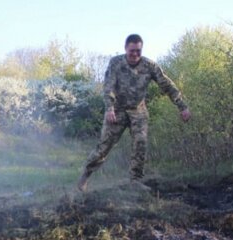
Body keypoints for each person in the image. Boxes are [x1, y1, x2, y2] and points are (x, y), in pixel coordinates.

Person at [77, 34, 191, 193]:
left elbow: (167, 85)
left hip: (138, 110)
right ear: (125, 49)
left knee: (140, 143)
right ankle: (84, 177)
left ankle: (135, 181)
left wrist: (182, 106)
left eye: (138, 51)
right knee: (103, 148)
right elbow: (108, 86)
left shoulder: (150, 66)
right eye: (132, 51)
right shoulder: (116, 63)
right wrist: (109, 107)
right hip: (116, 110)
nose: (135, 54)